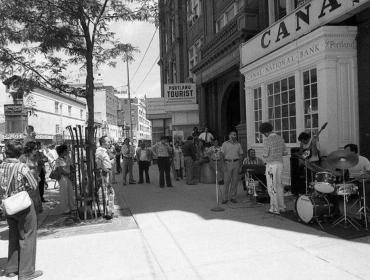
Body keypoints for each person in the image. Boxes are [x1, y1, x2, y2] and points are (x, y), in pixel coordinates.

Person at [0, 141, 43, 280]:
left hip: (8, 205)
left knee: (13, 235)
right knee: (28, 236)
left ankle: (11, 269)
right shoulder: (21, 167)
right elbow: (34, 184)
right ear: (19, 153)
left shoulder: (1, 167)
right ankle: (26, 272)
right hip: (23, 205)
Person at [260, 122, 287, 215]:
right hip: (280, 164)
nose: (263, 135)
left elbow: (265, 154)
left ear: (265, 132)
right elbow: (285, 153)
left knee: (272, 186)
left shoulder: (267, 140)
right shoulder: (280, 138)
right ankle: (282, 207)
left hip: (271, 165)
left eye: (263, 133)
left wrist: (264, 156)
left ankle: (274, 208)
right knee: (279, 186)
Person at [19, 142, 42, 215]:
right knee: (29, 200)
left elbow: (36, 168)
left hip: (35, 181)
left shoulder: (35, 156)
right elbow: (20, 169)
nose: (36, 150)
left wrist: (38, 176)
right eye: (35, 149)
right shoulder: (23, 157)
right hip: (27, 183)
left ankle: (35, 219)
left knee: (35, 199)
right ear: (30, 149)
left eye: (37, 148)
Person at [221, 130, 244, 204]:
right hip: (227, 163)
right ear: (229, 136)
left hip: (236, 163)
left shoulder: (238, 144)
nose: (235, 136)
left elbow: (241, 155)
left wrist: (240, 166)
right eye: (233, 134)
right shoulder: (225, 144)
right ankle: (225, 198)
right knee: (227, 181)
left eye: (235, 135)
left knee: (235, 181)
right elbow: (222, 155)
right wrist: (223, 165)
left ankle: (233, 197)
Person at [96, 136, 115, 218]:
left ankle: (109, 211)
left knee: (109, 193)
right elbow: (100, 165)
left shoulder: (105, 150)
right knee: (106, 193)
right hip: (104, 174)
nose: (110, 143)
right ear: (103, 143)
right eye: (108, 141)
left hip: (107, 173)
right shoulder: (100, 151)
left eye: (110, 141)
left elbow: (110, 158)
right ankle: (107, 212)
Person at [55, 144, 75, 215]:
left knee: (71, 192)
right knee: (64, 194)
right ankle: (65, 209)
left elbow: (71, 167)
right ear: (63, 151)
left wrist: (72, 173)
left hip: (68, 177)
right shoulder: (58, 160)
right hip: (63, 178)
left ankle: (72, 207)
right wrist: (69, 174)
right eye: (66, 150)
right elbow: (61, 170)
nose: (68, 151)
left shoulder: (67, 158)